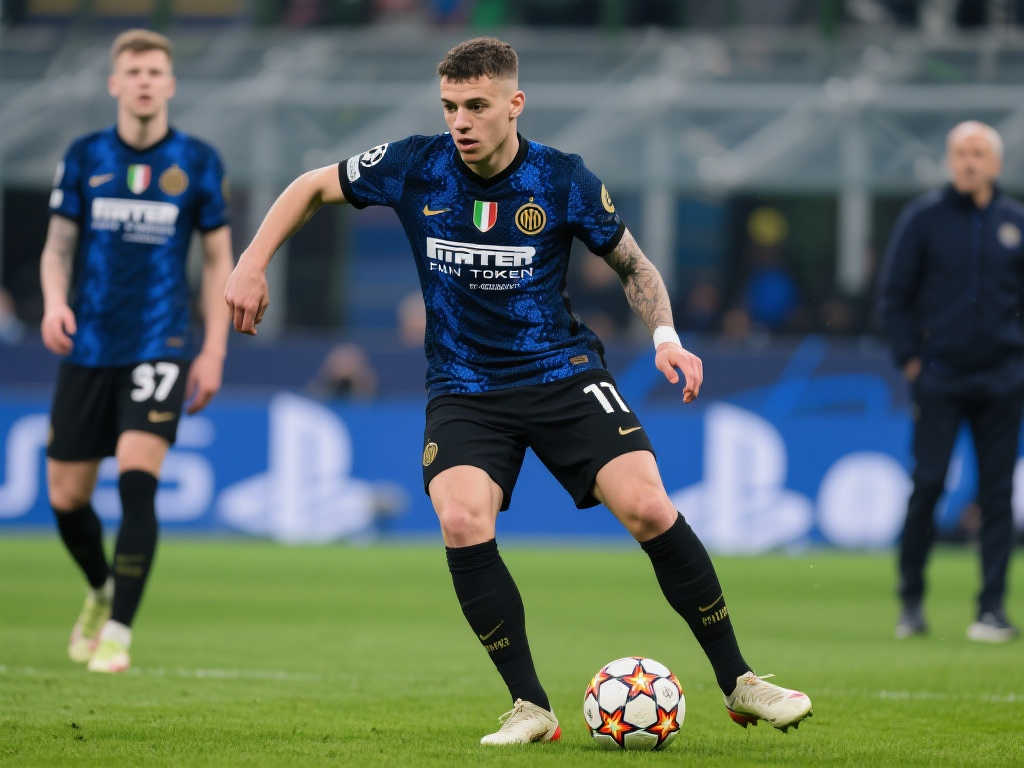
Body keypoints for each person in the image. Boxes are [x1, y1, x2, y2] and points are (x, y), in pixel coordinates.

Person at [225, 37, 812, 744]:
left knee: (649, 506)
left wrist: (665, 338)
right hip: (465, 387)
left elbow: (633, 265)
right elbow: (310, 185)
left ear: (514, 104)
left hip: (562, 375)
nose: (460, 122)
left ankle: (740, 682)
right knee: (461, 519)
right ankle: (531, 706)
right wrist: (251, 262)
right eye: (450, 106)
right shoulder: (414, 165)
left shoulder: (561, 179)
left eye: (476, 105)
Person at [40, 29, 233, 672]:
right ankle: (101, 589)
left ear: (170, 84)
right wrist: (55, 303)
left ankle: (119, 631)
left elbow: (217, 260)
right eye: (134, 72)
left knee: (137, 478)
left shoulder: (197, 161)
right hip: (90, 343)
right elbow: (57, 247)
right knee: (65, 497)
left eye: (155, 72)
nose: (145, 82)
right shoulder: (84, 155)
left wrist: (212, 350)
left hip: (160, 342)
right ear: (115, 83)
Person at [879, 120, 1022, 643]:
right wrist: (910, 359)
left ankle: (991, 608)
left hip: (1003, 378)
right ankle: (911, 598)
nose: (969, 161)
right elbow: (893, 295)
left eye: (979, 153)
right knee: (929, 484)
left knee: (998, 495)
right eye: (961, 152)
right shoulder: (924, 219)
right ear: (949, 159)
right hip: (940, 376)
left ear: (996, 163)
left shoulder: (1015, 222)